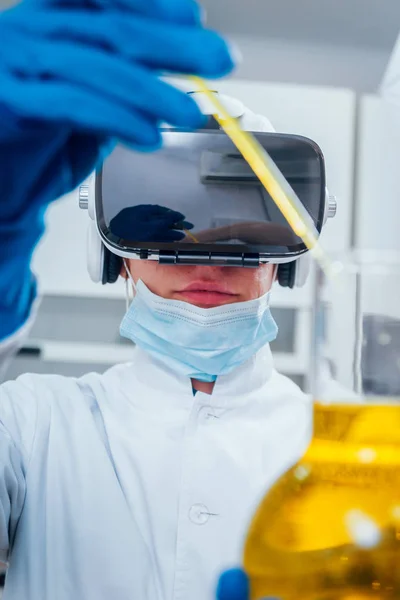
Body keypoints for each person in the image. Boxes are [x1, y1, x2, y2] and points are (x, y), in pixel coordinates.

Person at [0, 1, 329, 598]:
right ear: (112, 249)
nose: (205, 258)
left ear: (289, 252)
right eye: (168, 227)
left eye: (235, 227)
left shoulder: (337, 452)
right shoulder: (29, 426)